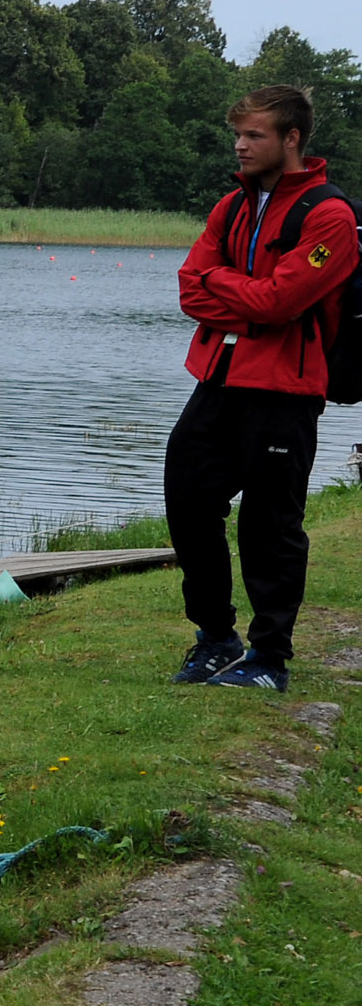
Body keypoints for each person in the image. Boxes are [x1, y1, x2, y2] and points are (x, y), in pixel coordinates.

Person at [166, 84, 358, 693]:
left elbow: (282, 302)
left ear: (292, 138)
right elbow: (188, 288)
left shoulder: (331, 217)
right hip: (218, 381)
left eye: (254, 135)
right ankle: (214, 636)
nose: (240, 145)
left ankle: (269, 658)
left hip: (286, 391)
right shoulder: (232, 206)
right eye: (239, 134)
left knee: (269, 526)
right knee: (189, 499)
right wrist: (246, 298)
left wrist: (229, 292)